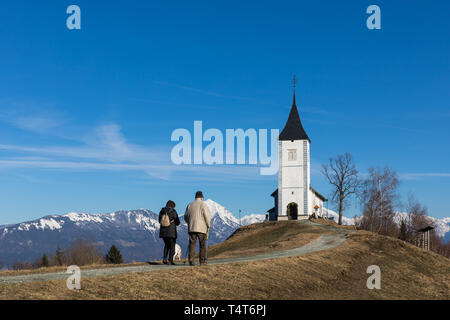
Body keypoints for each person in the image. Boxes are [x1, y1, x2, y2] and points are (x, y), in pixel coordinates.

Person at [184, 191, 212, 266]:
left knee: (192, 244)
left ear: (195, 197)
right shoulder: (203, 205)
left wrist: (189, 222)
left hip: (192, 228)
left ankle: (191, 260)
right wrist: (208, 224)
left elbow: (185, 216)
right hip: (201, 228)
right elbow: (207, 216)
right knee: (202, 245)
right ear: (202, 197)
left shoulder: (190, 205)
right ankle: (202, 261)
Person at [159, 200, 181, 265]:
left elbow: (159, 220)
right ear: (173, 206)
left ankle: (164, 259)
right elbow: (177, 221)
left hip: (163, 231)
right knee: (172, 246)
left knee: (166, 245)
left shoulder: (162, 211)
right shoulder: (173, 211)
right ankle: (170, 260)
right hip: (171, 232)